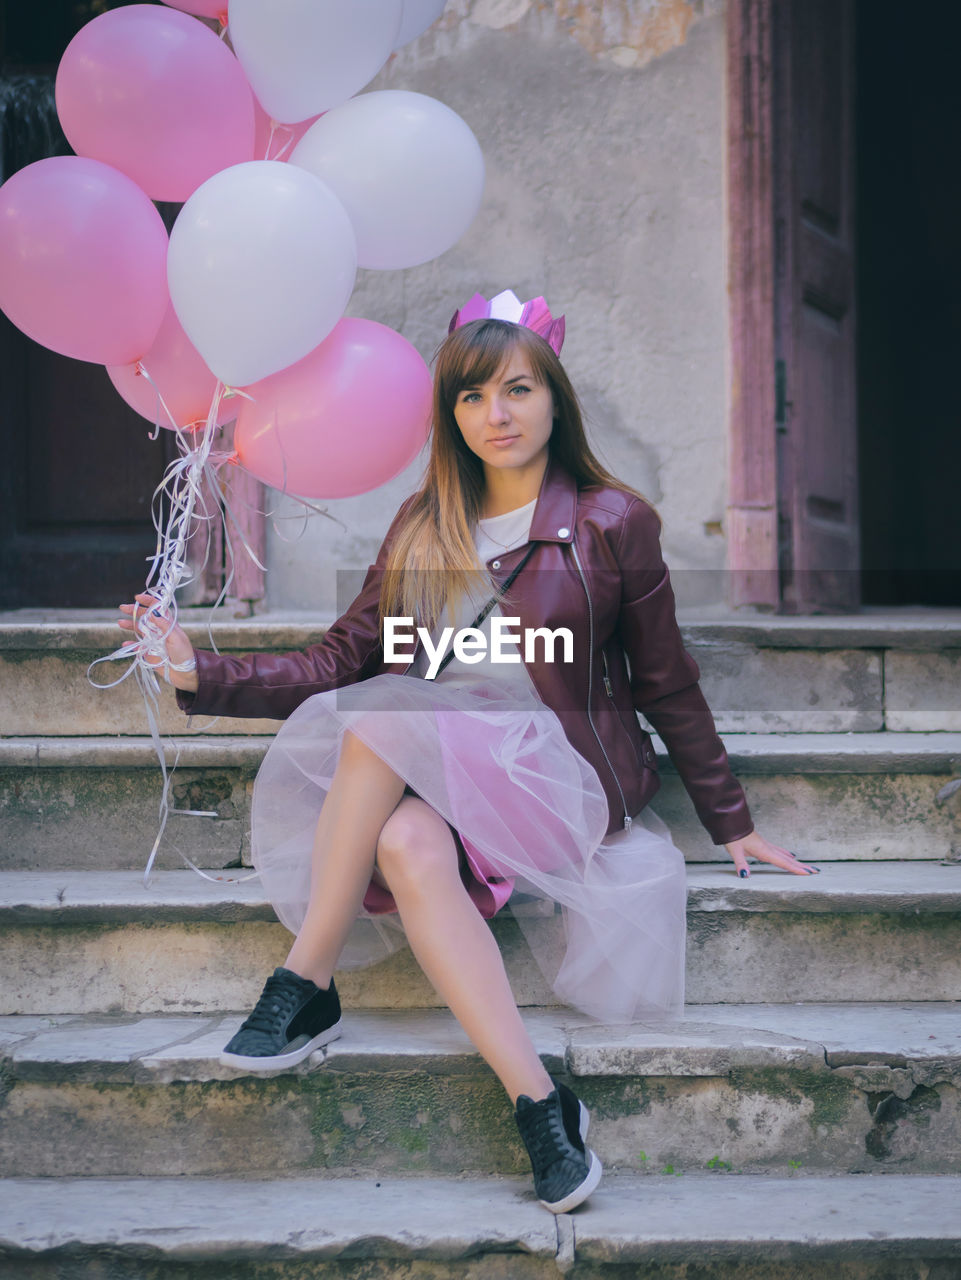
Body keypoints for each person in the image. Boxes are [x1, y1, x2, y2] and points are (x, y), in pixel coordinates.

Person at [118, 292, 819, 1215]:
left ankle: (305, 977)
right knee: (405, 840)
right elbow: (338, 659)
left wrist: (731, 819)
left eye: (518, 390)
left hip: (558, 779)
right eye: (473, 396)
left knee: (386, 718)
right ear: (449, 415)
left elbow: (666, 678)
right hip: (444, 778)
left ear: (553, 400)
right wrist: (196, 669)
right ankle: (539, 1103)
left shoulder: (613, 522)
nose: (498, 414)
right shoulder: (422, 525)